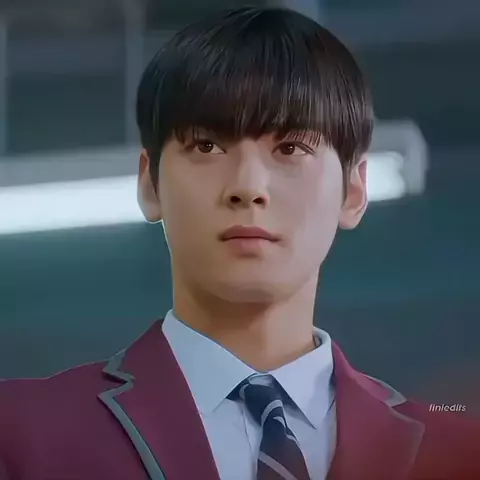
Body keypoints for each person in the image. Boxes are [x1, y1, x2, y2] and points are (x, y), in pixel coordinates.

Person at [0, 6, 479, 480]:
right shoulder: (21, 434)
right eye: (207, 146)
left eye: (291, 148)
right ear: (150, 184)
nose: (248, 187)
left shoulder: (459, 454)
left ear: (353, 191)